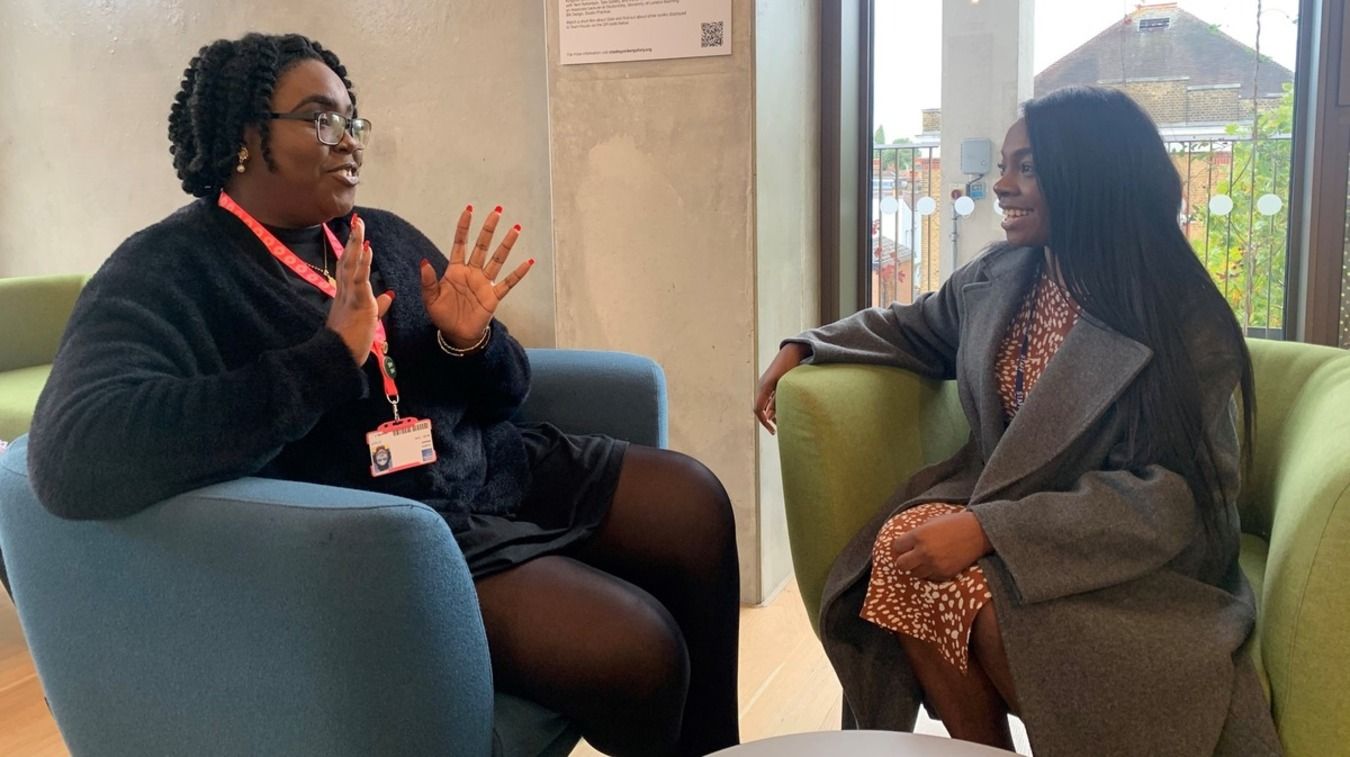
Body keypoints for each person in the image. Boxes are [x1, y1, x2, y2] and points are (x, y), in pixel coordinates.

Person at [27, 33, 739, 757]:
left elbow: (510, 393)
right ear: (244, 138)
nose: (351, 142)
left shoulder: (380, 236)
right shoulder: (168, 270)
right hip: (388, 537)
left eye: (353, 121)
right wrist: (325, 360)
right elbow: (70, 455)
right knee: (637, 650)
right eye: (321, 119)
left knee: (693, 501)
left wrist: (471, 343)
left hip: (492, 469)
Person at [755, 86, 1281, 756]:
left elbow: (1174, 499)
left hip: (1136, 564)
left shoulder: (1184, 321)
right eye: (1005, 165)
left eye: (1027, 167)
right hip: (1015, 526)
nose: (1002, 184)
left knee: (971, 592)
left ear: (1092, 175)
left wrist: (988, 529)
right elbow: (914, 325)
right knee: (903, 553)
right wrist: (807, 344)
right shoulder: (1004, 274)